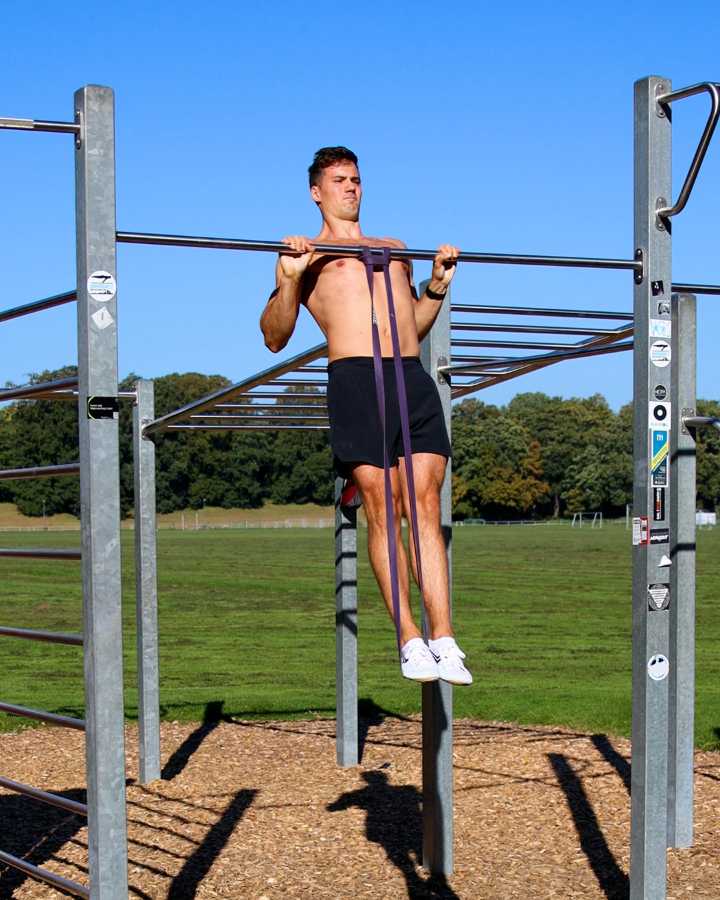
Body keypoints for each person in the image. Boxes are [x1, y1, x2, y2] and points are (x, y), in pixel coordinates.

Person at [259, 146, 471, 686]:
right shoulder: (305, 254)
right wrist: (290, 278)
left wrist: (437, 288)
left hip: (409, 375)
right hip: (356, 378)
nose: (350, 188)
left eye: (356, 179)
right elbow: (273, 336)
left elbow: (414, 326)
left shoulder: (395, 250)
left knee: (424, 499)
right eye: (338, 180)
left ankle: (443, 636)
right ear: (316, 191)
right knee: (382, 505)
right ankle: (408, 639)